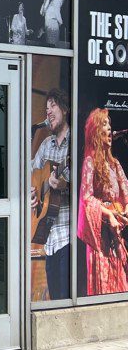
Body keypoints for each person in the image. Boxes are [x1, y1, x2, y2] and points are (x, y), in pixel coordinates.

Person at [77, 108, 128, 297]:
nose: (110, 129)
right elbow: (86, 198)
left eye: (110, 125)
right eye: (105, 124)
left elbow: (126, 195)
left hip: (116, 234)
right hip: (100, 235)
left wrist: (124, 211)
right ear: (96, 132)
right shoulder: (90, 162)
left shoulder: (115, 164)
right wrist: (108, 214)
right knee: (104, 281)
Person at [31, 88, 71, 300]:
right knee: (55, 300)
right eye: (46, 108)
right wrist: (33, 192)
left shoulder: (76, 144)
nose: (48, 112)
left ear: (64, 108)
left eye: (53, 105)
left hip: (68, 237)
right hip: (49, 239)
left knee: (66, 299)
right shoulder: (46, 145)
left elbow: (84, 184)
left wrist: (65, 184)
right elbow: (31, 173)